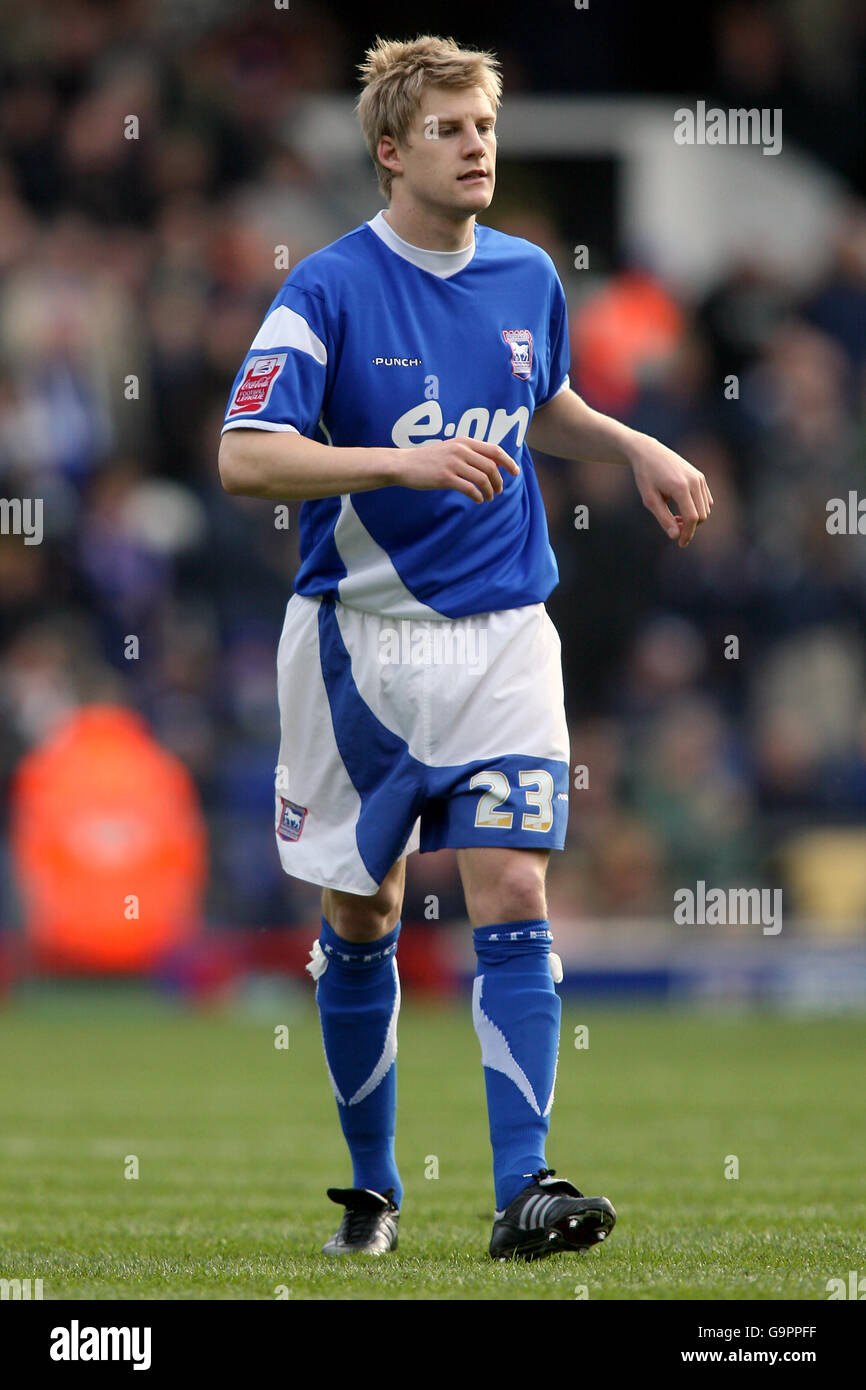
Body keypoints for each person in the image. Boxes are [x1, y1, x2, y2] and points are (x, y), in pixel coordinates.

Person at [219, 34, 712, 1262]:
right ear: (390, 151)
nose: (475, 144)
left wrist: (634, 445)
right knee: (365, 911)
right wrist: (396, 458)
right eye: (446, 128)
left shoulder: (527, 274)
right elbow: (243, 456)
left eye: (483, 125)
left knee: (512, 883)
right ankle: (374, 1193)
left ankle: (522, 1188)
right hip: (359, 651)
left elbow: (543, 401)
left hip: (502, 637)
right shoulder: (326, 288)